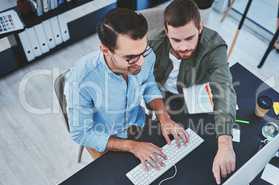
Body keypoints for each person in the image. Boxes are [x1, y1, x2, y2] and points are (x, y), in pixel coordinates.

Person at [64, 8, 188, 170]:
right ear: (105, 50)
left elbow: (148, 85)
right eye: (130, 58)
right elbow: (81, 133)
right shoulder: (82, 79)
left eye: (142, 52)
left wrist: (164, 118)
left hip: (138, 122)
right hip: (105, 137)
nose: (141, 63)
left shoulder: (146, 56)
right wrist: (132, 146)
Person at [149, 0, 237, 184]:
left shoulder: (214, 45)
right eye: (176, 40)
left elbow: (223, 88)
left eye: (189, 38)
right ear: (166, 33)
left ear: (200, 28)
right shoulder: (153, 44)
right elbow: (145, 82)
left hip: (193, 95)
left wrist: (225, 143)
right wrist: (164, 118)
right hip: (161, 99)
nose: (183, 47)